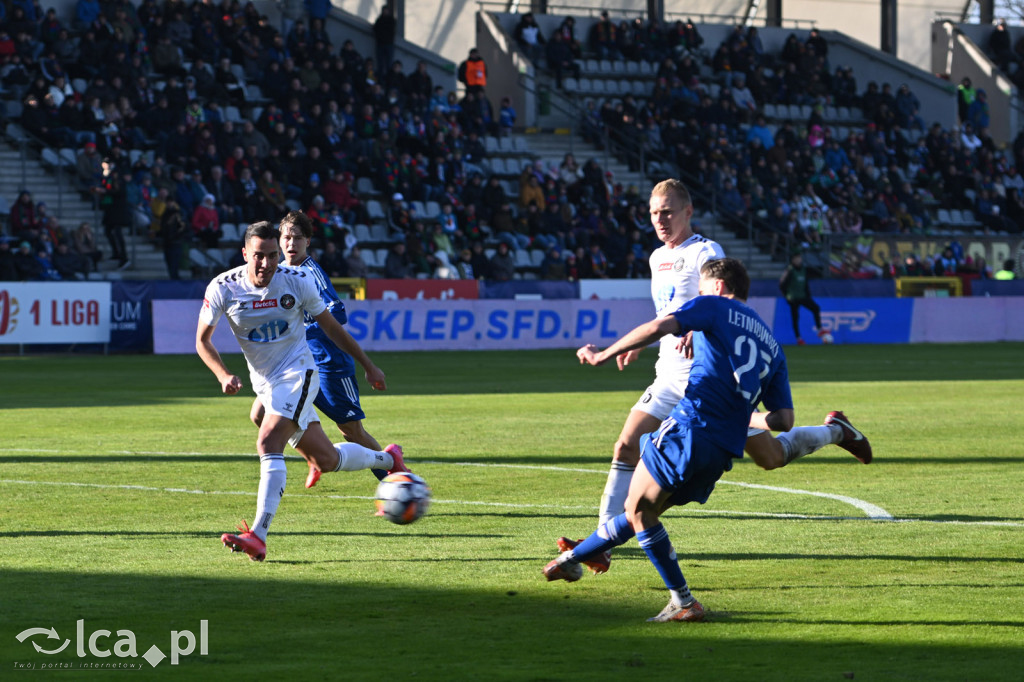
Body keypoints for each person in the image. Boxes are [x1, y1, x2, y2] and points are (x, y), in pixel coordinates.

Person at [555, 180, 870, 575]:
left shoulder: (705, 251)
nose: (660, 220)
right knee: (624, 447)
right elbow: (668, 311)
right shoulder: (656, 258)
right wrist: (640, 342)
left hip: (710, 381)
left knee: (771, 458)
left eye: (667, 212)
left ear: (688, 212)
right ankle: (600, 545)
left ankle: (836, 431)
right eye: (653, 213)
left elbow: (717, 305)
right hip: (669, 375)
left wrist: (692, 329)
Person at [544, 258, 794, 622]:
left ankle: (684, 601)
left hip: (690, 427)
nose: (699, 296)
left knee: (639, 509)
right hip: (722, 449)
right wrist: (743, 415)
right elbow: (784, 421)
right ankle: (572, 560)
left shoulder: (713, 305)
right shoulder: (772, 344)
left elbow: (659, 325)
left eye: (703, 289)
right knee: (641, 511)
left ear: (719, 288)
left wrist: (603, 354)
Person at [196, 221, 410, 562]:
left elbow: (332, 328)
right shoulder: (224, 287)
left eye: (271, 256)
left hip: (299, 373)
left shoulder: (297, 281)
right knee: (326, 459)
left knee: (268, 440)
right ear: (244, 254)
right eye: (258, 257)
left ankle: (258, 535)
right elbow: (203, 341)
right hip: (264, 382)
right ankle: (389, 458)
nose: (266, 265)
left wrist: (369, 365)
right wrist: (222, 374)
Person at [266, 211, 394, 489]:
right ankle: (314, 457)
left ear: (308, 241)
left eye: (297, 238)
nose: (290, 244)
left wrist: (368, 366)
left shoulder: (311, 273)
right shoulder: (279, 273)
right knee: (273, 413)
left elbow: (337, 314)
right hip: (299, 365)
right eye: (286, 237)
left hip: (329, 364)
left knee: (351, 432)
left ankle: (396, 477)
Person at [779, 250, 828, 345]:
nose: (798, 260)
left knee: (816, 308)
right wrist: (786, 296)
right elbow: (782, 284)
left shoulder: (803, 269)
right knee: (795, 318)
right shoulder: (790, 270)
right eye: (796, 259)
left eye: (799, 258)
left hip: (803, 296)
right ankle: (798, 338)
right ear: (792, 260)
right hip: (793, 298)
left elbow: (805, 284)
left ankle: (819, 329)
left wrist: (808, 295)